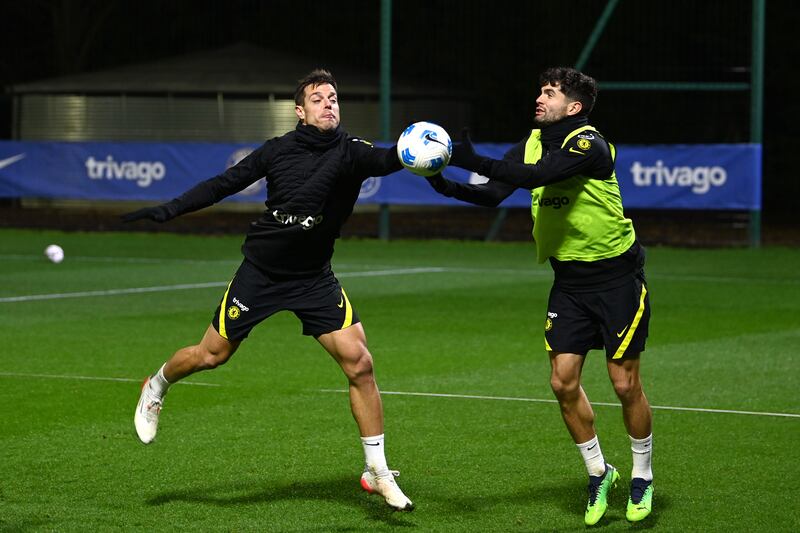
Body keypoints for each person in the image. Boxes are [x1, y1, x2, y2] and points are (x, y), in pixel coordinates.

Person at [122, 68, 414, 512]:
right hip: (262, 273)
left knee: (360, 363)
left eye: (334, 97)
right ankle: (157, 385)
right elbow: (224, 184)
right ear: (300, 111)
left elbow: (391, 159)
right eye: (318, 98)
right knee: (211, 355)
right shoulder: (278, 151)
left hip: (313, 278)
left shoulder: (353, 152)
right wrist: (171, 209)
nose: (329, 103)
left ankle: (376, 470)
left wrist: (425, 149)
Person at [428, 67, 653, 525]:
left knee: (625, 383)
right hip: (568, 283)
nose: (540, 97)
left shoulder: (590, 143)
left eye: (550, 93)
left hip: (615, 278)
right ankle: (598, 473)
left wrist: (473, 159)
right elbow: (494, 193)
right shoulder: (530, 143)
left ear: (573, 107)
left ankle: (642, 475)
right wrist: (442, 181)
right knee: (562, 382)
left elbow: (538, 177)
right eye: (540, 90)